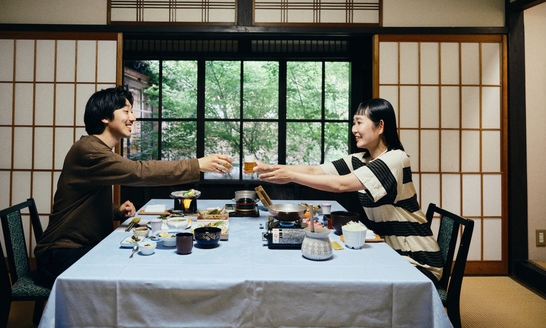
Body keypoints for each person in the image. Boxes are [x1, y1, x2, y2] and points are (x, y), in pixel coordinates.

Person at [35, 86, 231, 286]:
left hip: (76, 248)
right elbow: (139, 172)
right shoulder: (90, 150)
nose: (133, 117)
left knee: (142, 258)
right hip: (61, 253)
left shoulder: (96, 148)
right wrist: (196, 165)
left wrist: (115, 211)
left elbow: (82, 201)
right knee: (138, 266)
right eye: (126, 111)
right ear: (105, 117)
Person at [255, 98, 443, 281]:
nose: (354, 129)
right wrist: (270, 168)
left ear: (380, 126)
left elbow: (341, 185)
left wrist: (291, 177)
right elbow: (315, 170)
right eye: (354, 123)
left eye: (359, 122)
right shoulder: (360, 160)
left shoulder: (395, 159)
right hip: (389, 253)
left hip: (417, 262)